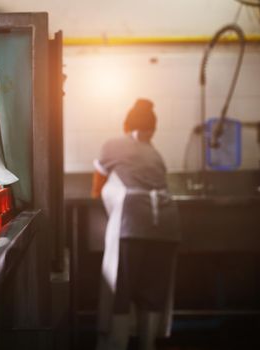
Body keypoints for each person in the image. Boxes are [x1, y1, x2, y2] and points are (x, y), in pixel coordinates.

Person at [91, 99, 181, 350]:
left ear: (126, 125)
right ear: (152, 129)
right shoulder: (155, 153)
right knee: (153, 290)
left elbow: (97, 186)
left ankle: (116, 345)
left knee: (122, 288)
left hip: (133, 224)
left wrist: (102, 199)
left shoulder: (113, 145)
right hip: (166, 225)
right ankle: (147, 344)